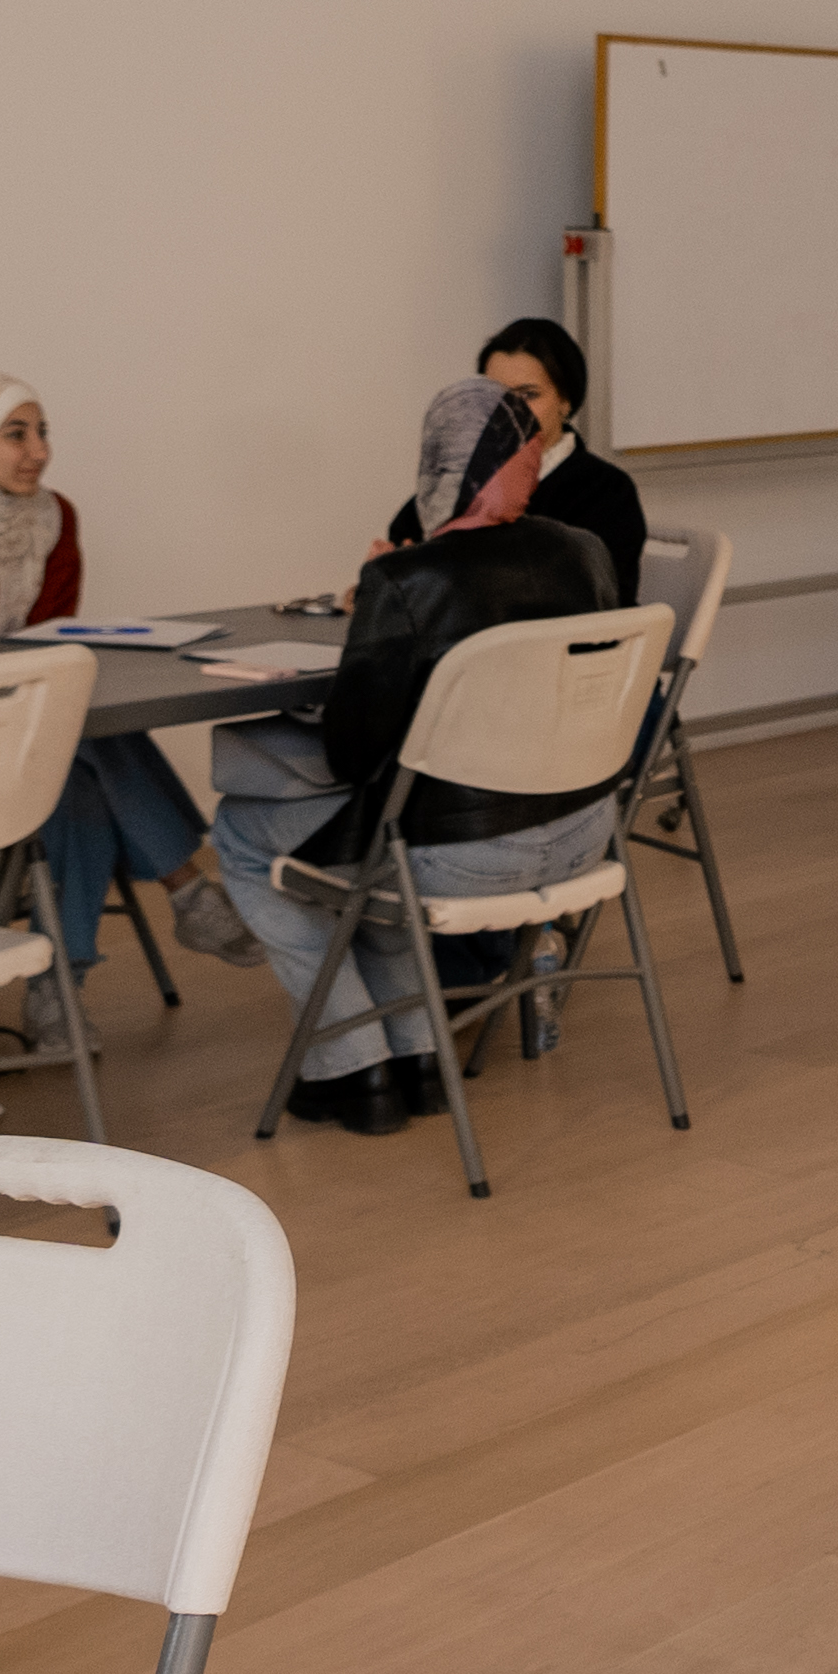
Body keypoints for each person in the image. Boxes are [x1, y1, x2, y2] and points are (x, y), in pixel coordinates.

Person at [213, 383, 631, 1135]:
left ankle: (352, 1064)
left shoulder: (407, 579)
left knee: (244, 835)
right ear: (527, 459)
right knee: (372, 851)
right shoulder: (586, 551)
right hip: (582, 836)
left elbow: (352, 754)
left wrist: (388, 598)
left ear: (438, 466)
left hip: (457, 857)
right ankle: (418, 1056)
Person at [0, 371, 248, 999]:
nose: (39, 452)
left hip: (28, 725)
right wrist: (34, 685)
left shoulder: (53, 517)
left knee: (73, 775)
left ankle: (57, 990)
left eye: (42, 433)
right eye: (16, 434)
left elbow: (50, 639)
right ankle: (187, 888)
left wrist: (36, 686)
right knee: (74, 733)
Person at [377, 317, 648, 576]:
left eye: (528, 395)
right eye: (495, 395)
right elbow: (403, 538)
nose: (508, 411)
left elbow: (605, 601)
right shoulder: (460, 474)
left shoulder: (607, 491)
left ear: (566, 400)